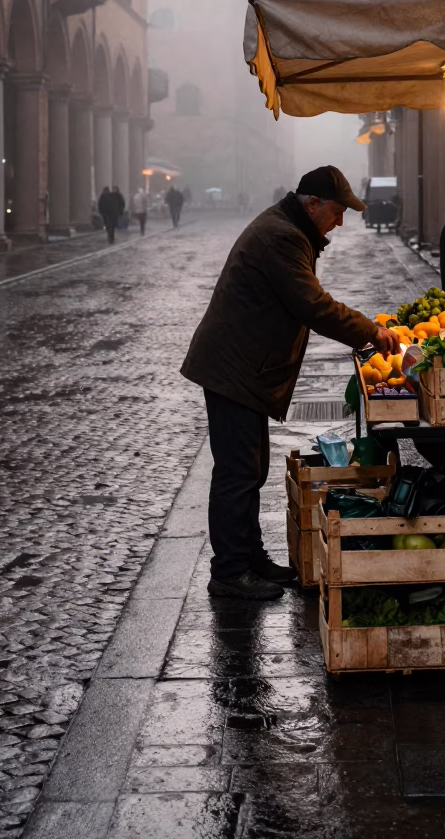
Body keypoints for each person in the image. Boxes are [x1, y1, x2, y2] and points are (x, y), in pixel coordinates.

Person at [181, 166, 401, 601]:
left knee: (251, 470)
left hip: (245, 368)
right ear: (312, 204)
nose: (339, 222)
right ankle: (228, 571)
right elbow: (312, 305)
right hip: (235, 368)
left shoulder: (287, 228)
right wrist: (370, 331)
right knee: (237, 475)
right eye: (336, 212)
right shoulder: (282, 237)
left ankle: (250, 557)